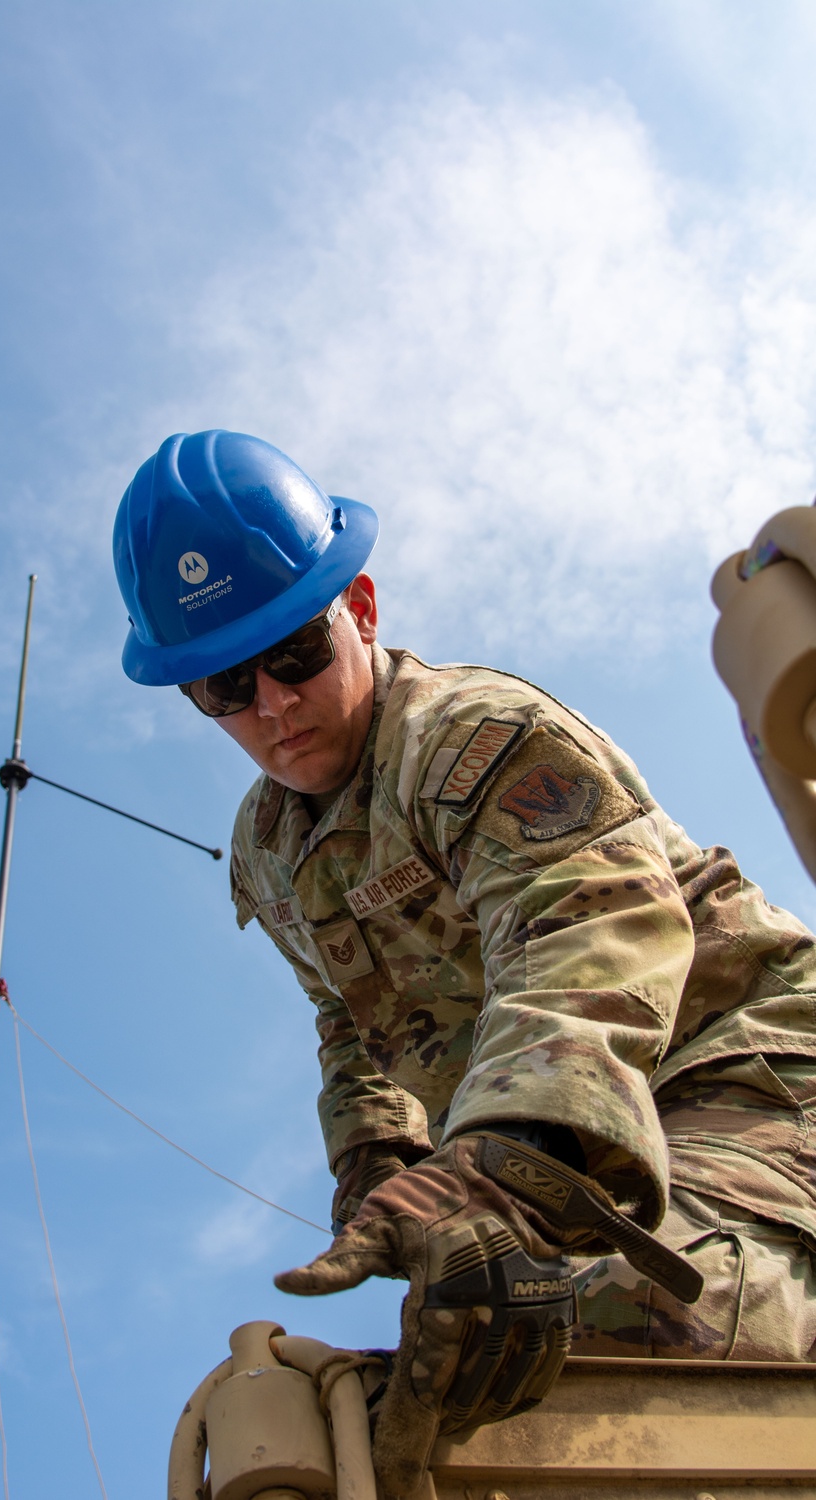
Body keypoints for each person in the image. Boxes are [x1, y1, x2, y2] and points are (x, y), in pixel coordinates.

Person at [114, 429, 816, 1495]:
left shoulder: (466, 737)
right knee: (456, 1378)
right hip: (569, 1147)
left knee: (630, 1314)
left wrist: (499, 1170)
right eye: (222, 686)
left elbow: (587, 926)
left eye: (294, 653)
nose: (271, 706)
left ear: (359, 612)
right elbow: (350, 1026)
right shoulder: (268, 853)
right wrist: (380, 1172)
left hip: (746, 1069)